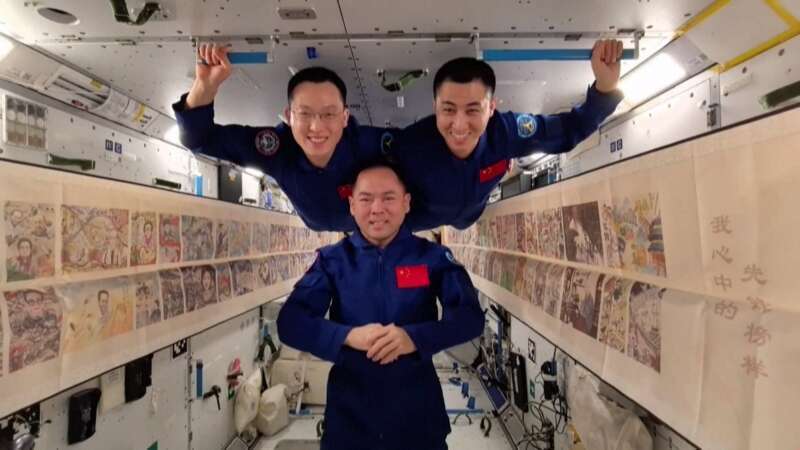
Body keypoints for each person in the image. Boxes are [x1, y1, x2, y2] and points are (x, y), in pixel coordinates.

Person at [276, 164, 484, 450]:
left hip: (418, 421)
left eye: (388, 198)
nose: (377, 209)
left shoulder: (433, 258)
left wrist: (413, 338)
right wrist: (348, 336)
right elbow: (290, 322)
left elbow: (470, 318)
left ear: (406, 202)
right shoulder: (333, 261)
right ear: (352, 205)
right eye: (366, 199)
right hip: (350, 423)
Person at [388, 39, 625, 230]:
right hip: (422, 218)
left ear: (491, 108)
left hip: (471, 215)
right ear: (435, 107)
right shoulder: (410, 146)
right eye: (448, 110)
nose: (459, 126)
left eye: (473, 110)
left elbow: (566, 130)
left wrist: (606, 87)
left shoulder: (506, 132)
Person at [173, 48, 386, 231]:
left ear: (345, 117)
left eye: (329, 114)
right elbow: (200, 139)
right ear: (289, 116)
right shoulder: (275, 148)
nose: (316, 127)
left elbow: (408, 144)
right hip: (315, 221)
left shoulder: (367, 144)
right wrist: (205, 85)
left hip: (366, 225)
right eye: (305, 113)